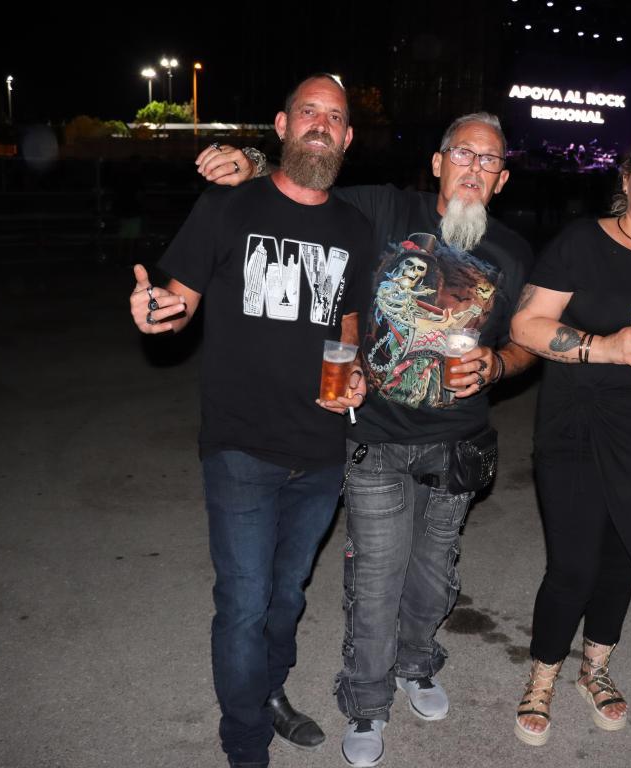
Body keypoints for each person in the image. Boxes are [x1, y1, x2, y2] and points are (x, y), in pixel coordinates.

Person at [198, 112, 537, 768]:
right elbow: (305, 187)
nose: (474, 167)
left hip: (456, 443)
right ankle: (366, 700)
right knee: (377, 577)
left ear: (502, 178)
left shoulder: (514, 253)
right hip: (375, 437)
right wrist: (253, 165)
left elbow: (527, 341)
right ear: (437, 163)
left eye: (489, 160)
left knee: (434, 577)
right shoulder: (384, 208)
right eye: (462, 153)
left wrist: (498, 364)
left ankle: (417, 664)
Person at [128, 74, 373, 768]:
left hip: (321, 449)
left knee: (286, 596)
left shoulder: (354, 228)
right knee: (243, 600)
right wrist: (157, 313)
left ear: (347, 138)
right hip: (240, 444)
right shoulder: (228, 205)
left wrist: (356, 373)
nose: (321, 124)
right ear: (283, 125)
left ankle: (268, 692)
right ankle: (245, 742)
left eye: (335, 116)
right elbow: (177, 299)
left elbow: (348, 323)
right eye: (308, 112)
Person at [508, 128, 631, 746]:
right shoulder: (581, 242)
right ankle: (543, 674)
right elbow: (525, 325)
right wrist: (605, 346)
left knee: (625, 556)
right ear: (625, 180)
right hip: (580, 425)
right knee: (574, 563)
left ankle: (595, 669)